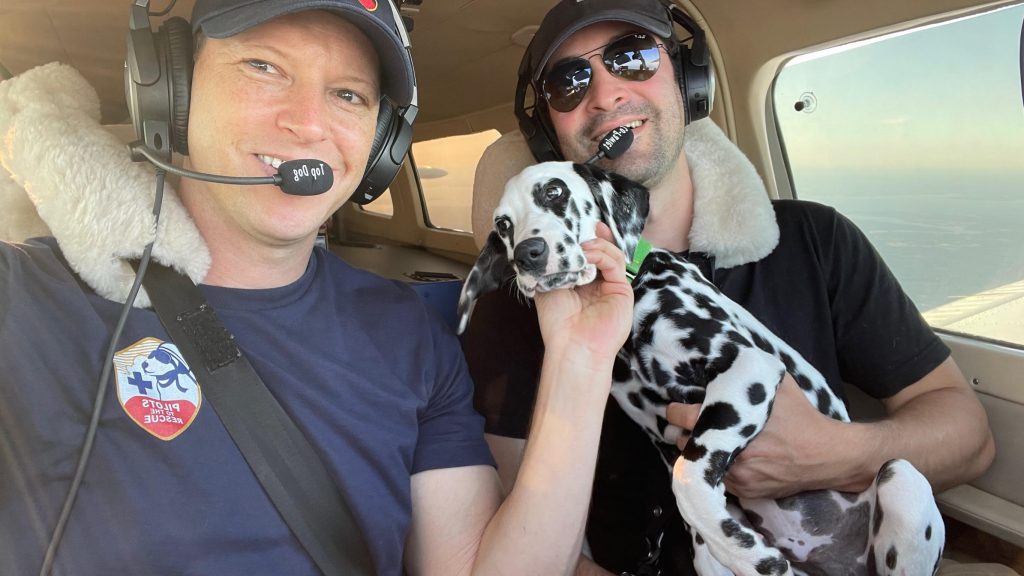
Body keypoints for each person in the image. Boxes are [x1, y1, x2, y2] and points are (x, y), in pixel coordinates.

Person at [0, 0, 634, 574]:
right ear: (175, 93)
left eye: (349, 95)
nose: (307, 123)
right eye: (263, 67)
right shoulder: (28, 298)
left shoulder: (409, 333)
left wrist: (580, 361)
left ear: (383, 145)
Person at [460, 0, 998, 574]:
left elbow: (970, 438)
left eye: (633, 57)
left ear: (690, 79)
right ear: (549, 132)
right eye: (569, 82)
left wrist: (828, 456)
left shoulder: (816, 240)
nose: (605, 94)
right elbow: (519, 542)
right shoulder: (512, 311)